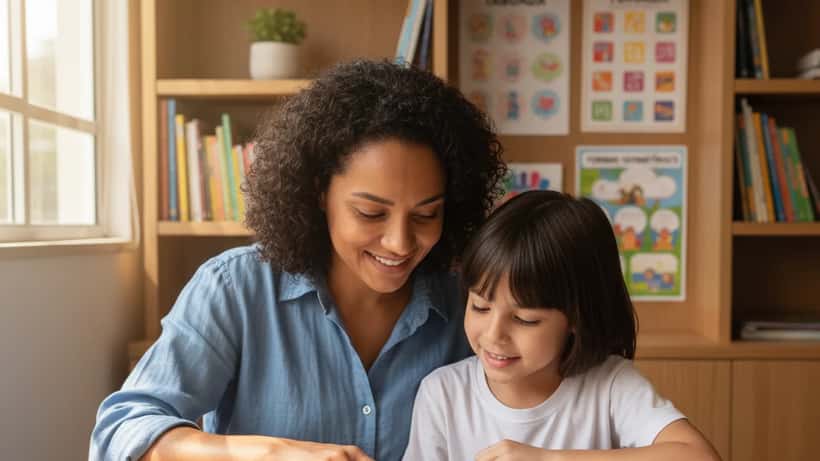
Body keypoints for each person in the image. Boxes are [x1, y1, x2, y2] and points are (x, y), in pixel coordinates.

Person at [89, 59, 506, 461]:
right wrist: (268, 452)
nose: (399, 242)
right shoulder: (236, 288)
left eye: (425, 214)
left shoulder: (471, 304)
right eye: (370, 213)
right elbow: (122, 430)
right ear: (319, 193)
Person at [402, 190, 722, 461]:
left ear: (576, 318)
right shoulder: (443, 393)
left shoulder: (610, 385)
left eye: (525, 319)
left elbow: (698, 456)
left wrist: (549, 458)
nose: (493, 334)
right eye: (480, 307)